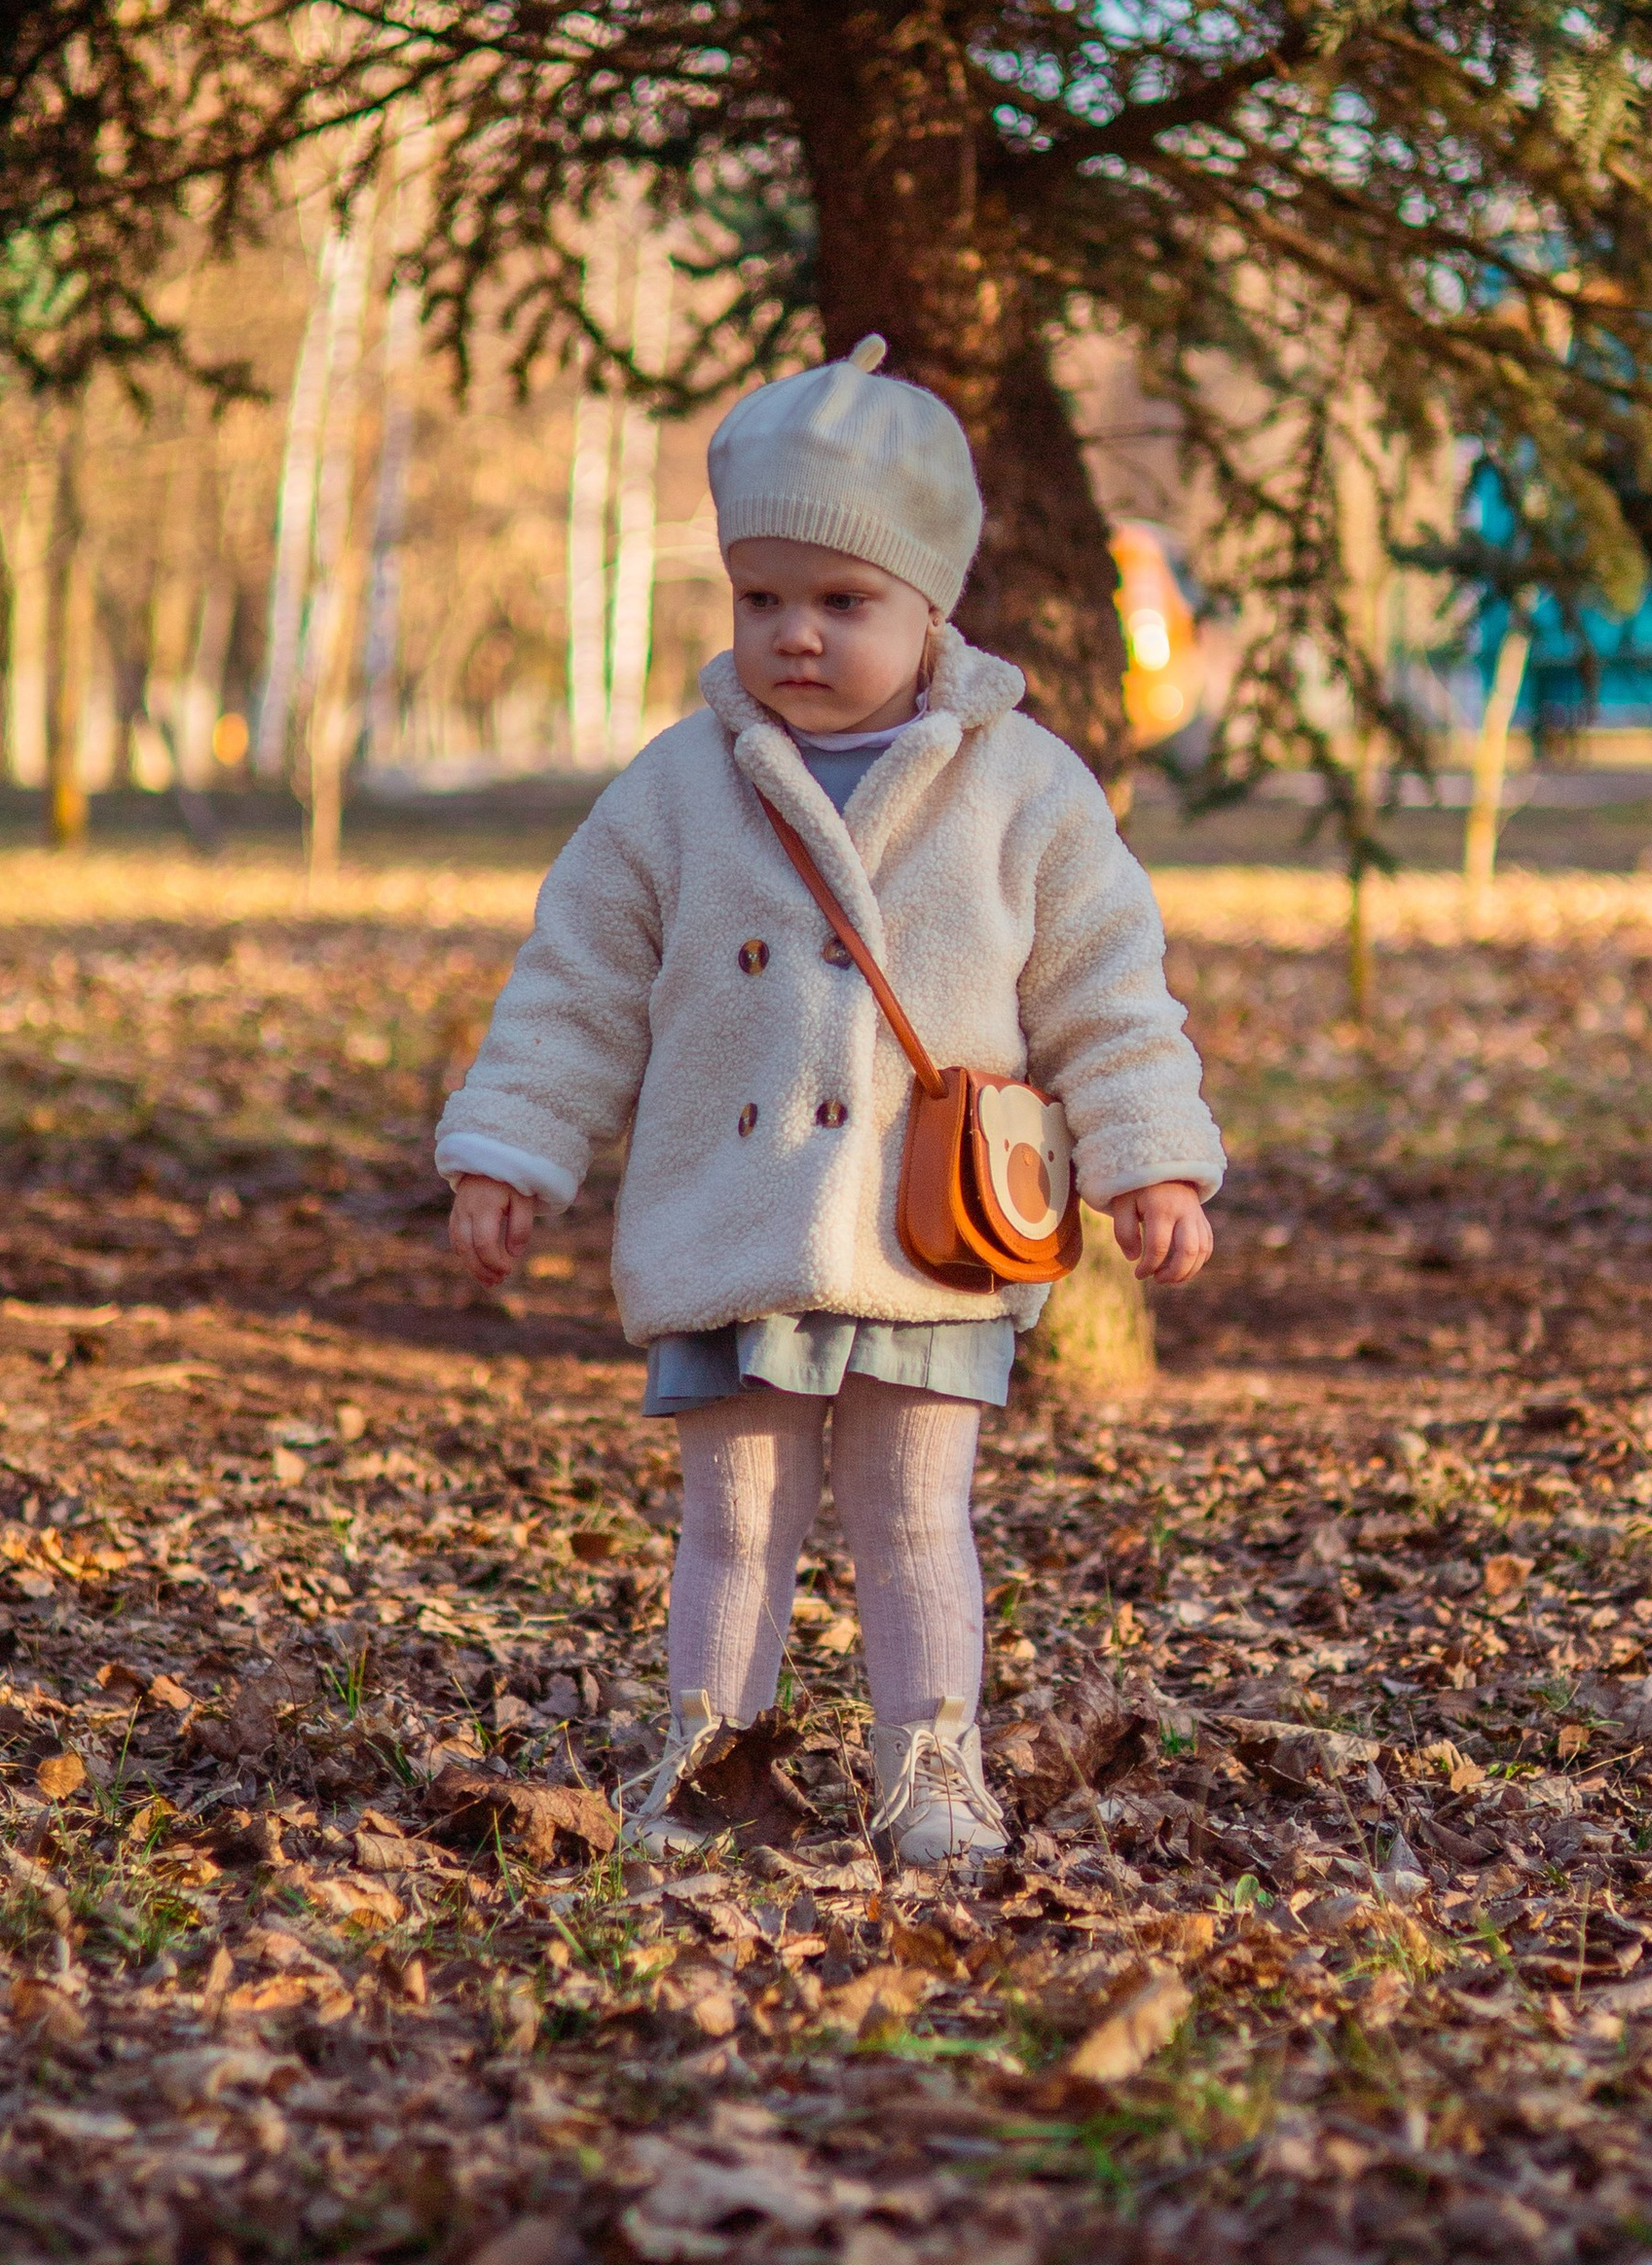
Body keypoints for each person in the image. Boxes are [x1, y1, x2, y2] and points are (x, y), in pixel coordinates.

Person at [435, 337, 1223, 1867]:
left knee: (917, 1514)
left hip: (928, 1233)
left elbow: (1109, 992)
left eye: (844, 601)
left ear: (932, 603)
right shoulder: (677, 788)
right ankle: (708, 1756)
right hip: (734, 1222)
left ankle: (933, 1767)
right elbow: (577, 983)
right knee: (733, 1517)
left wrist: (1151, 1163)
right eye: (760, 597)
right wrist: (511, 1150)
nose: (794, 634)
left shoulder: (1024, 788)